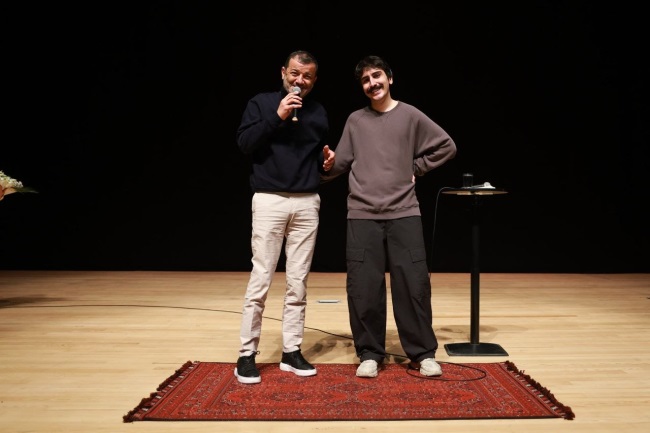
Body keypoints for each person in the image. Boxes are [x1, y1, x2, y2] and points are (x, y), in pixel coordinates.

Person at [324, 55, 457, 378]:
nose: (372, 83)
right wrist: (326, 163)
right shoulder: (356, 121)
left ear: (390, 78)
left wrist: (417, 167)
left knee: (413, 284)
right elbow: (339, 164)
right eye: (366, 80)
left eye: (377, 76)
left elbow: (446, 146)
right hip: (362, 215)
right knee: (364, 287)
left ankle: (422, 353)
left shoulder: (410, 115)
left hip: (404, 212)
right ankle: (370, 353)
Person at [234, 50, 335, 384]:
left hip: (307, 201)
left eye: (306, 76)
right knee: (261, 278)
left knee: (298, 282)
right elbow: (245, 143)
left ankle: (291, 351)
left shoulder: (318, 112)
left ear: (314, 80)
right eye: (294, 73)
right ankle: (246, 355)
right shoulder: (262, 103)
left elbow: (315, 156)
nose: (299, 81)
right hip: (269, 200)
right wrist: (277, 115)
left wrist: (326, 161)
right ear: (283, 72)